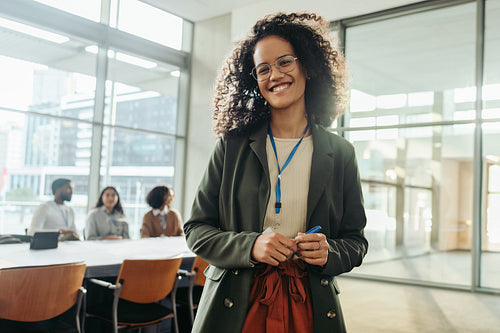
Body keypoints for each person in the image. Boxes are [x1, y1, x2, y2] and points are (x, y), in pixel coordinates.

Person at [183, 12, 368, 333]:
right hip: (235, 303)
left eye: (285, 62)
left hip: (309, 302)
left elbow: (355, 241)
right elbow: (196, 230)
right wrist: (250, 246)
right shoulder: (232, 146)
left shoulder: (341, 154)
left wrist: (330, 251)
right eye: (263, 69)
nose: (274, 75)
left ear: (308, 67)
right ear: (254, 80)